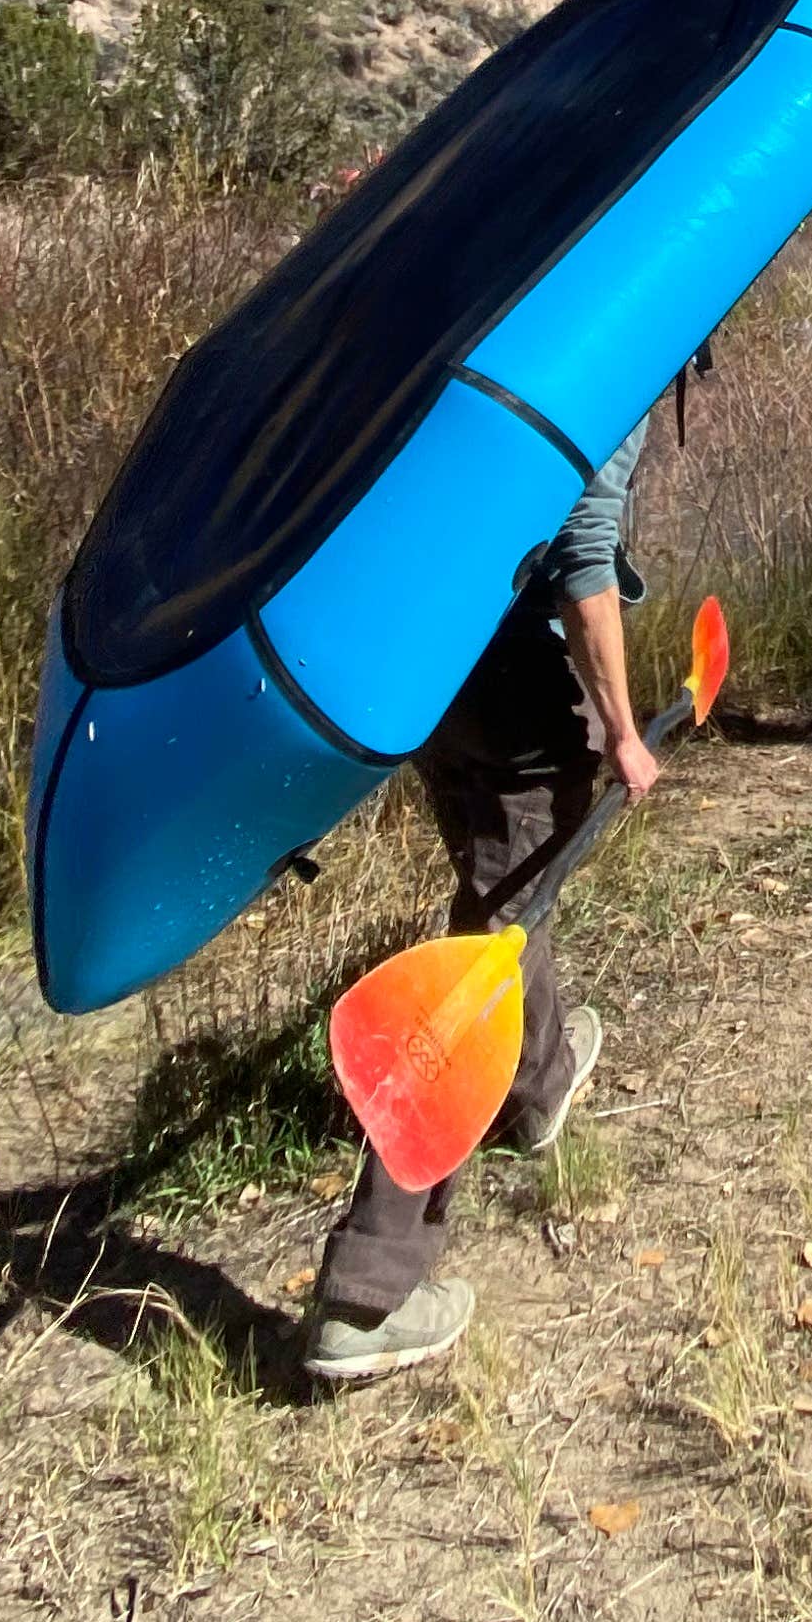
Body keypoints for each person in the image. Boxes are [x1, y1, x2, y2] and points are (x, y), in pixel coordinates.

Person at [305, 414, 660, 1384]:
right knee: (486, 956)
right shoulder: (624, 340)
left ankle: (539, 1085)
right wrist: (626, 733)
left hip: (434, 671)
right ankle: (369, 1292)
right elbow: (586, 554)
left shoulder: (495, 318)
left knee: (502, 900)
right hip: (519, 695)